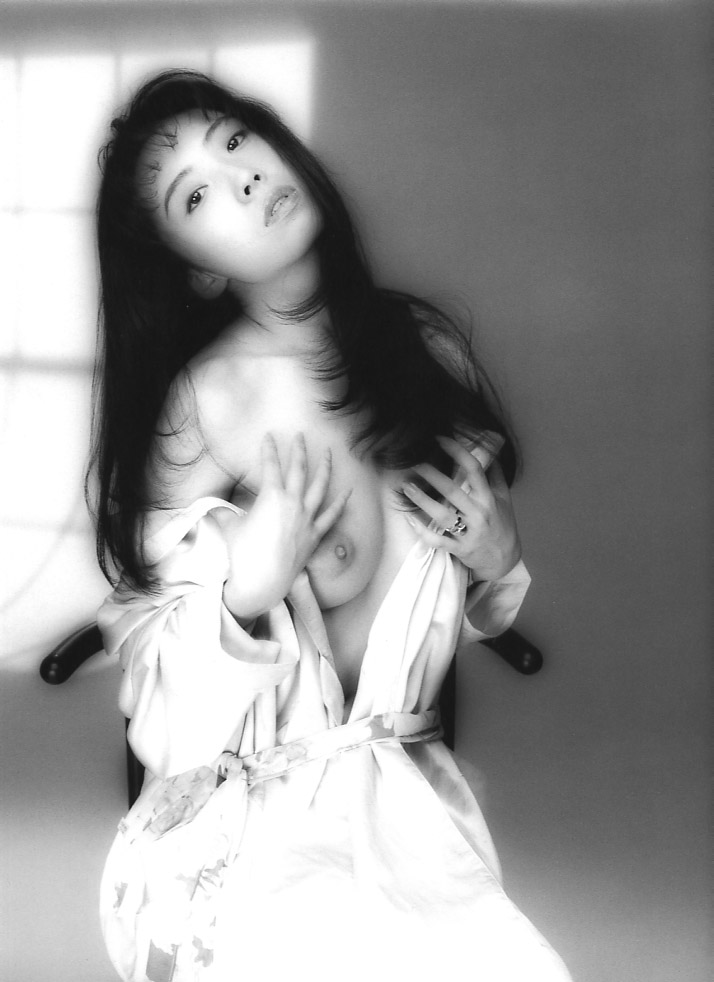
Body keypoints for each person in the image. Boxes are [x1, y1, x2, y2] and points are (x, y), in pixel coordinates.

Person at [90, 70, 571, 982]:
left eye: (236, 141)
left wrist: (499, 559)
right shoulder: (206, 402)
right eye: (195, 194)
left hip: (416, 819)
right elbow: (153, 676)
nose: (240, 178)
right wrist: (245, 593)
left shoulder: (424, 349)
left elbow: (464, 606)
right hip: (254, 845)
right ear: (196, 268)